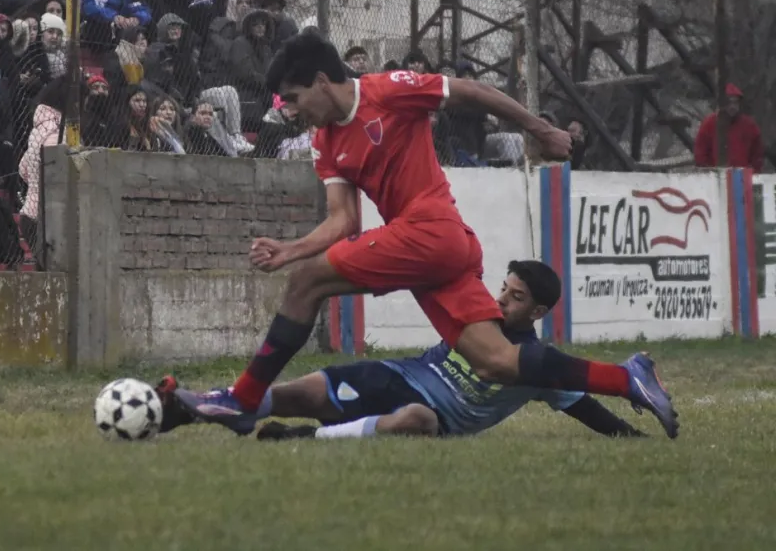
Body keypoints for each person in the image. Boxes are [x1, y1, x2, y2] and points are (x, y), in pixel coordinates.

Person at [173, 32, 679, 439]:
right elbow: (344, 221)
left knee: (308, 284)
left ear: (324, 81)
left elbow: (473, 93)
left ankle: (241, 399)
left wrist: (539, 130)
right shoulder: (324, 143)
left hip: (432, 231)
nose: (293, 110)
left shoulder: (387, 90)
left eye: (297, 98)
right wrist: (291, 250)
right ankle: (626, 377)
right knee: (497, 361)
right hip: (432, 250)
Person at [158, 261, 648, 441]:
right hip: (394, 375)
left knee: (417, 419)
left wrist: (635, 436)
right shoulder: (478, 320)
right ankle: (198, 407)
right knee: (299, 390)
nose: (500, 300)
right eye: (503, 288)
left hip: (428, 414)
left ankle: (305, 438)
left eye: (515, 297)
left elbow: (587, 409)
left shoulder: (540, 365)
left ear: (538, 312)